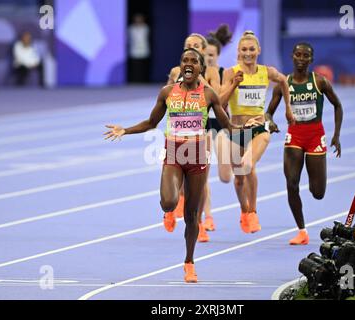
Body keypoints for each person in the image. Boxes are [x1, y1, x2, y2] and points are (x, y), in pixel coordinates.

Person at [104, 48, 260, 283]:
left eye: (193, 61)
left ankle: (189, 262)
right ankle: (168, 211)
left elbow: (227, 126)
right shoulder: (168, 92)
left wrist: (250, 128)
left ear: (200, 68)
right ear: (181, 65)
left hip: (197, 158)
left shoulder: (209, 95)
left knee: (191, 216)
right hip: (174, 155)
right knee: (169, 201)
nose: (189, 64)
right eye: (185, 60)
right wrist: (125, 130)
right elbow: (151, 122)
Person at [266, 42, 343, 245]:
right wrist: (270, 122)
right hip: (295, 136)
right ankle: (301, 231)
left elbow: (337, 105)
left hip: (316, 135)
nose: (301, 59)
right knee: (291, 183)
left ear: (311, 60)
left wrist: (336, 135)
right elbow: (268, 112)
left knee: (318, 193)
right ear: (292, 56)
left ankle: (314, 178)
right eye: (298, 55)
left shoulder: (319, 81)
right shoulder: (284, 83)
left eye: (305, 56)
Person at [220, 31, 294, 234]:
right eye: (244, 49)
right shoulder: (229, 72)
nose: (248, 53)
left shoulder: (267, 72)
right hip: (236, 130)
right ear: (238, 52)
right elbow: (220, 102)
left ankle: (253, 211)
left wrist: (286, 108)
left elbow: (284, 81)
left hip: (259, 128)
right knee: (239, 178)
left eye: (252, 49)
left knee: (248, 164)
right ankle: (244, 211)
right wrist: (234, 84)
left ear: (258, 50)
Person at [166, 33, 222, 243]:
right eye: (188, 46)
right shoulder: (175, 72)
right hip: (177, 132)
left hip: (203, 130)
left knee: (201, 180)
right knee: (177, 179)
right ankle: (171, 209)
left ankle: (199, 222)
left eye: (196, 46)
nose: (192, 48)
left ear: (203, 49)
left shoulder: (212, 72)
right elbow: (166, 98)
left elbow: (218, 100)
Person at [200, 24, 233, 233]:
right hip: (203, 124)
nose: (209, 58)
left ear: (218, 55)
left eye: (212, 55)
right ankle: (208, 216)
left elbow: (219, 101)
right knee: (202, 173)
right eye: (206, 54)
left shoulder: (224, 73)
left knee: (225, 176)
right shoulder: (195, 74)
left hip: (220, 124)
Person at [128, 13, 150, 83]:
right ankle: (134, 80)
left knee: (143, 67)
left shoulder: (145, 27)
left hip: (143, 50)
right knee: (135, 67)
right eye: (137, 19)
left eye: (140, 19)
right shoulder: (131, 28)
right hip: (134, 50)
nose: (138, 20)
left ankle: (143, 80)